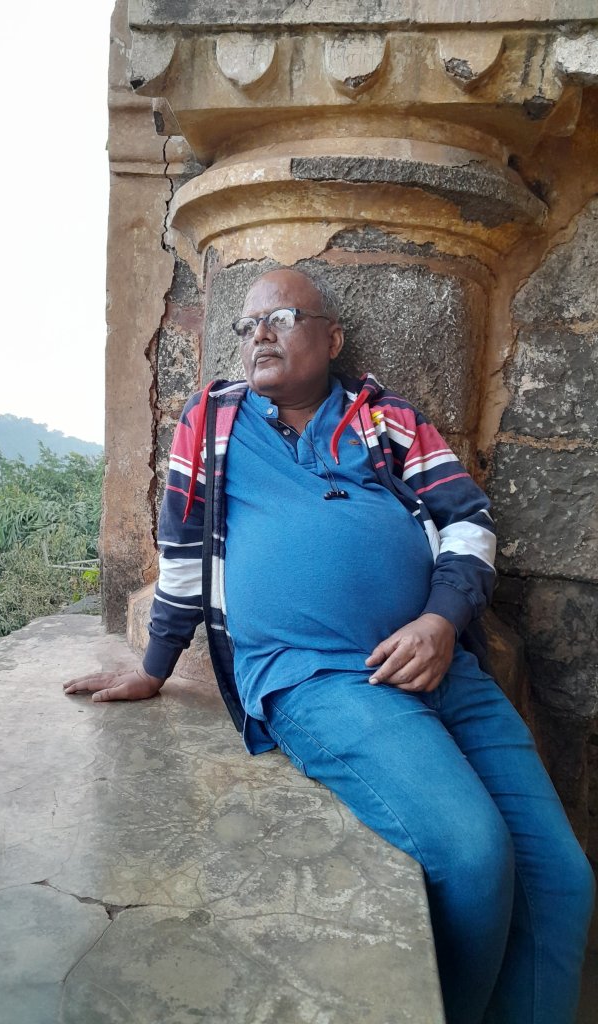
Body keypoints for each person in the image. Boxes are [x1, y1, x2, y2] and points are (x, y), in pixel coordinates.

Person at [64, 267, 594, 1024]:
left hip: (445, 665)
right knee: (473, 854)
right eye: (248, 324)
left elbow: (469, 522)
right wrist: (155, 667)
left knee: (563, 883)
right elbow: (182, 556)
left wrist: (442, 621)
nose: (259, 334)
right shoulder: (211, 423)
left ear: (333, 337)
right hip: (315, 676)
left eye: (281, 317)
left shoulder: (386, 418)